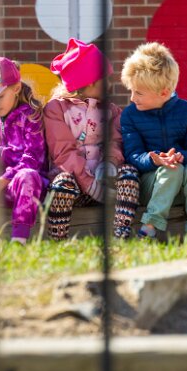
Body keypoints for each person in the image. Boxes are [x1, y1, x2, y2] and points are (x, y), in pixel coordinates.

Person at [43, 38, 140, 240]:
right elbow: (63, 152)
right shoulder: (56, 109)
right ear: (90, 81)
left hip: (105, 183)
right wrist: (89, 184)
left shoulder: (111, 110)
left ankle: (120, 234)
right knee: (62, 184)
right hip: (76, 185)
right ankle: (58, 239)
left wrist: (110, 163)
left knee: (129, 173)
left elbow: (115, 140)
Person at [120, 42, 187, 247]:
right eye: (131, 91)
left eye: (139, 93)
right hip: (150, 186)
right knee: (172, 169)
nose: (133, 98)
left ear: (163, 92)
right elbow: (132, 155)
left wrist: (181, 156)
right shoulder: (130, 115)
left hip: (185, 185)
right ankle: (149, 229)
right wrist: (155, 159)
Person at [0, 56, 47, 244]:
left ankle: (19, 240)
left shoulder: (30, 116)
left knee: (28, 175)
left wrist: (4, 179)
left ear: (16, 88)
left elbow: (33, 157)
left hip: (24, 187)